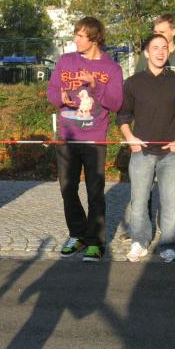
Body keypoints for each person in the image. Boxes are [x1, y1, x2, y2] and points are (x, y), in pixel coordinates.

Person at [47, 17, 123, 261]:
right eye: (75, 34)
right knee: (67, 188)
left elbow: (116, 103)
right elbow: (51, 91)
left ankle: (95, 241)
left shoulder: (112, 68)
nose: (75, 39)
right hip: (67, 136)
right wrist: (59, 98)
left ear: (95, 38)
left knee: (95, 191)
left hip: (94, 138)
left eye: (80, 35)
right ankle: (77, 234)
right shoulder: (65, 61)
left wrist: (95, 84)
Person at [118, 33, 175, 263]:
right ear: (146, 52)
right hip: (142, 152)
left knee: (171, 203)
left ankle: (168, 245)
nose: (160, 52)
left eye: (164, 47)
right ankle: (139, 242)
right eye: (155, 48)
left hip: (171, 154)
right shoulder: (133, 83)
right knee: (139, 202)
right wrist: (130, 139)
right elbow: (123, 116)